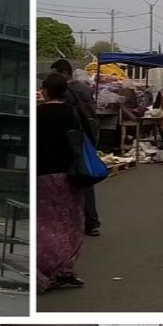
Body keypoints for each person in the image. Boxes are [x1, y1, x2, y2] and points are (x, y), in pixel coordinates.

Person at [36, 73, 85, 292]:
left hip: (43, 176)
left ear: (45, 91)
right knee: (70, 223)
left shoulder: (38, 113)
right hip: (69, 175)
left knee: (44, 224)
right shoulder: (71, 112)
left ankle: (44, 272)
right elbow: (84, 139)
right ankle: (65, 268)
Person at [50, 60, 101, 237]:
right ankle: (92, 222)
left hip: (73, 139)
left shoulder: (67, 93)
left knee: (70, 180)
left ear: (64, 73)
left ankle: (72, 223)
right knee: (85, 177)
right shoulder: (85, 88)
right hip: (87, 136)